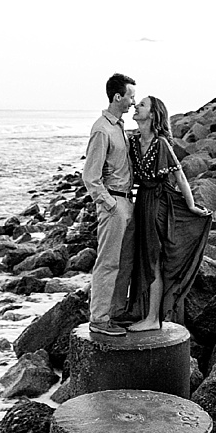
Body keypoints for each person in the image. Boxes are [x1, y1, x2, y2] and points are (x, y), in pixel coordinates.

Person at [117, 95, 212, 331]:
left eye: (141, 105)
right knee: (145, 259)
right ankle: (143, 313)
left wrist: (191, 206)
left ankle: (152, 319)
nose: (136, 107)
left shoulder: (161, 143)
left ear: (152, 114)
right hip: (143, 203)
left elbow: (180, 176)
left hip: (161, 204)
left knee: (155, 260)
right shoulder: (134, 142)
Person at [82, 73, 137, 337]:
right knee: (108, 263)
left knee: (124, 262)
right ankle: (99, 320)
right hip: (114, 202)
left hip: (127, 201)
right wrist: (110, 204)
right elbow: (90, 176)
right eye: (130, 96)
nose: (133, 102)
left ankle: (115, 314)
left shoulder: (119, 128)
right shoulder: (102, 129)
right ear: (118, 96)